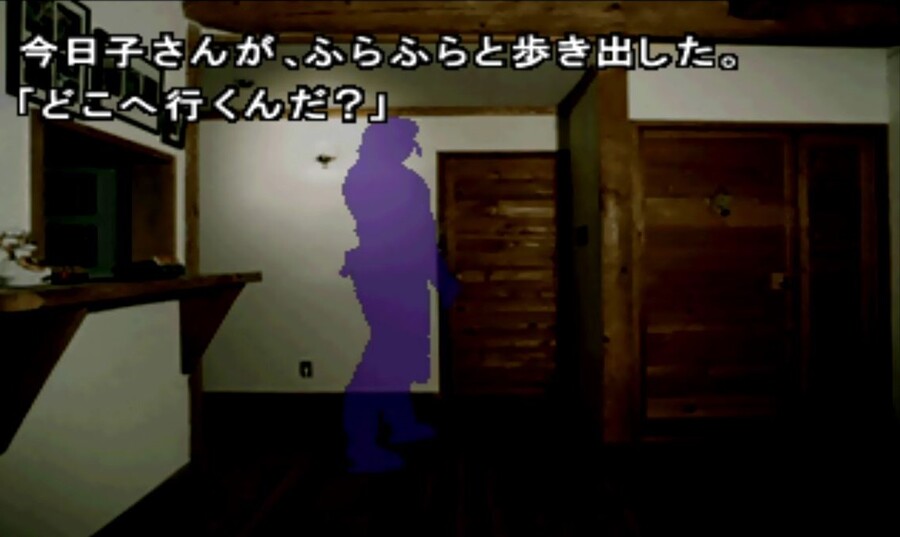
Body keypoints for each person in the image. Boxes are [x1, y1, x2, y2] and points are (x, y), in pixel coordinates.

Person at [340, 117, 460, 473]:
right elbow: (414, 234)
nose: (410, 146)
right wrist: (442, 279)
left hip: (393, 272)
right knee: (386, 357)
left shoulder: (374, 176)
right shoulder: (391, 179)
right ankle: (362, 446)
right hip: (389, 273)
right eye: (406, 140)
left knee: (399, 354)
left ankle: (401, 423)